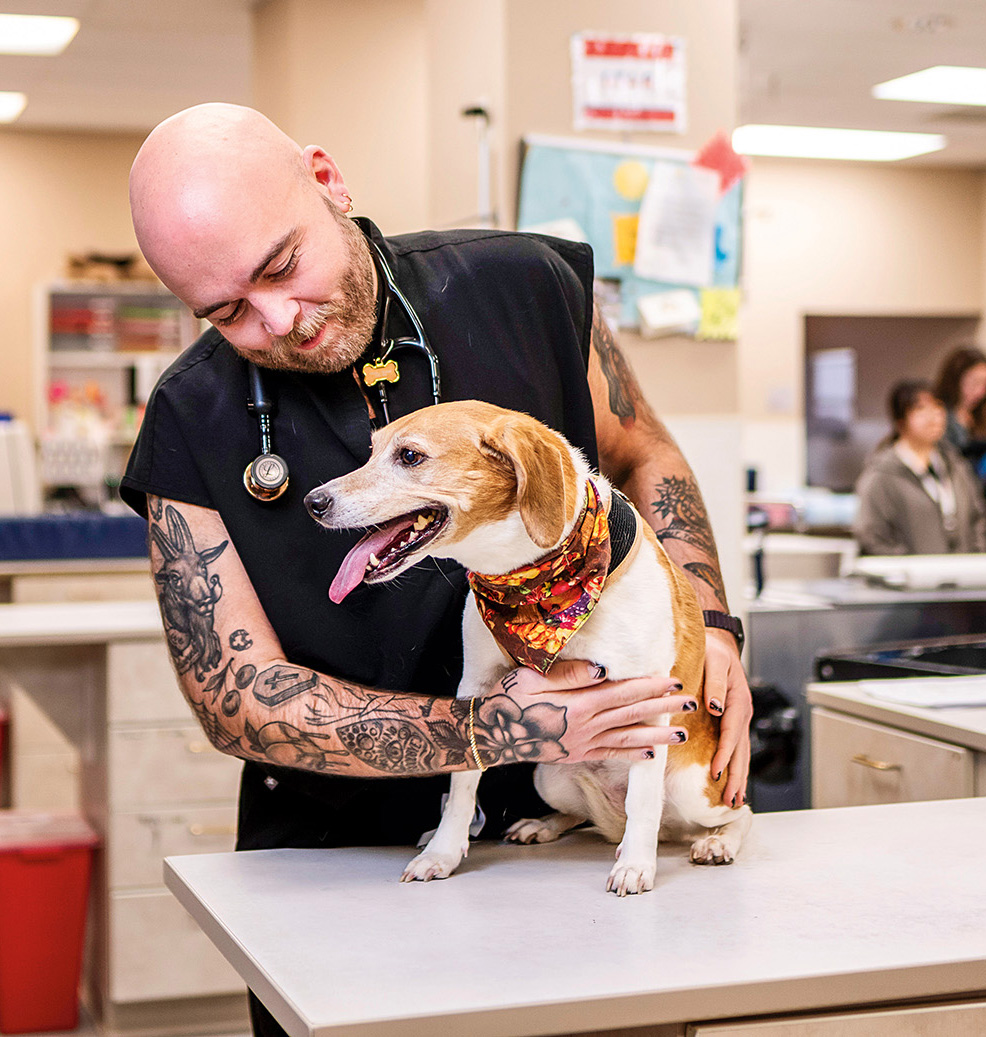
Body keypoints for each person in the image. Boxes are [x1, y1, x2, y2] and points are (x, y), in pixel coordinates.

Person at [123, 104, 753, 1036]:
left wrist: (708, 624)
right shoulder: (189, 417)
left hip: (579, 848)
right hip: (339, 866)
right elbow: (237, 697)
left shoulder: (525, 285)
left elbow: (643, 451)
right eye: (226, 312)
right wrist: (497, 727)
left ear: (328, 180)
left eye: (281, 266)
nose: (279, 321)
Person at [853, 379, 986, 556]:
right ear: (900, 420)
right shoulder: (882, 474)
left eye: (938, 407)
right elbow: (873, 535)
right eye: (921, 408)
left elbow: (978, 519)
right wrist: (907, 569)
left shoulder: (956, 465)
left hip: (961, 575)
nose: (933, 416)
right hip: (911, 578)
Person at [934, 345, 986, 480]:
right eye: (974, 383)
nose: (980, 392)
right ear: (955, 380)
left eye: (984, 384)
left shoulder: (980, 415)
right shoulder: (939, 415)